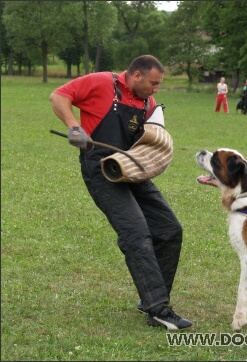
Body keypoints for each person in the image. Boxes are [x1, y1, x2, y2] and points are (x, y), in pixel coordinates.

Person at [49, 55, 192, 330]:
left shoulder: (147, 103)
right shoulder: (101, 82)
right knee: (136, 232)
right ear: (136, 75)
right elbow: (59, 96)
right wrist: (73, 126)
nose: (156, 90)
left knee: (169, 228)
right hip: (99, 165)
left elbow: (149, 135)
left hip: (129, 165)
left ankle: (151, 297)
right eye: (153, 83)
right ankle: (158, 309)